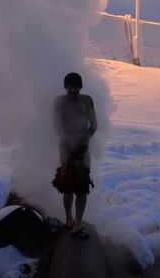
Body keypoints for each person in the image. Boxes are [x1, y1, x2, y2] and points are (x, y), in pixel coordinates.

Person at [52, 72, 97, 239]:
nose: (73, 90)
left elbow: (94, 125)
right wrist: (68, 141)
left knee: (82, 184)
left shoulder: (87, 100)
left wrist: (83, 141)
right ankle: (69, 219)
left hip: (82, 145)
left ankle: (78, 222)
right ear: (65, 87)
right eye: (70, 87)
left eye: (76, 87)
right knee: (67, 183)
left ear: (80, 87)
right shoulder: (60, 102)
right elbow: (56, 125)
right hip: (65, 145)